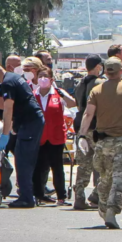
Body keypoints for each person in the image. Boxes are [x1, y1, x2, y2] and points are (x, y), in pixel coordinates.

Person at [77, 58, 122, 229]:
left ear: (105, 72)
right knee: (120, 178)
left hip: (103, 141)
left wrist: (82, 136)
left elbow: (88, 115)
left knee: (105, 177)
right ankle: (111, 210)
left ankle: (103, 206)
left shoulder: (97, 90)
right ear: (121, 70)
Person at [0, 62, 45, 207]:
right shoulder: (14, 77)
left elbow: (8, 109)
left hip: (30, 123)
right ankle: (28, 194)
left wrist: (5, 135)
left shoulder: (7, 83)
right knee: (26, 158)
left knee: (22, 160)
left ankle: (26, 198)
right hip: (31, 121)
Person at [72, 55, 105, 210]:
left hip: (80, 125)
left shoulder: (80, 83)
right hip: (95, 126)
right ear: (98, 66)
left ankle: (79, 195)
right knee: (104, 164)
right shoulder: (100, 83)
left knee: (83, 164)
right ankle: (97, 194)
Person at [32, 67, 69, 206]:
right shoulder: (32, 95)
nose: (42, 79)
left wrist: (61, 93)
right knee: (39, 167)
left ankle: (61, 196)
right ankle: (39, 195)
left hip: (56, 136)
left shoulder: (58, 94)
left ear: (51, 79)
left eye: (45, 76)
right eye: (40, 76)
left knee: (57, 167)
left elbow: (73, 104)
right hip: (39, 137)